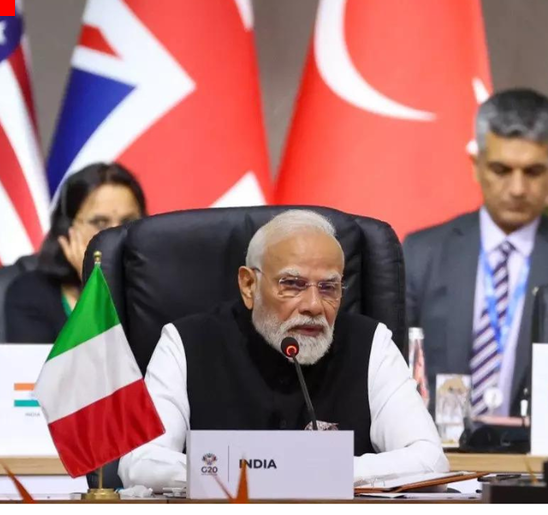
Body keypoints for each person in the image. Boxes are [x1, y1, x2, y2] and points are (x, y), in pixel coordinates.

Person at [119, 210, 447, 491]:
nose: (314, 306)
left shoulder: (371, 344)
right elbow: (140, 462)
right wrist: (264, 472)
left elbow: (430, 460)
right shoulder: (185, 344)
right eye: (292, 284)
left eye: (329, 287)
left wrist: (310, 472)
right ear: (249, 285)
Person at [404, 89, 548, 418]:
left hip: (536, 446)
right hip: (436, 442)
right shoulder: (423, 252)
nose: (517, 189)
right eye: (501, 170)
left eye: (533, 171)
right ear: (476, 165)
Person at [5, 163, 146, 344]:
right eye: (100, 223)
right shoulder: (29, 292)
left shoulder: (156, 289)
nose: (116, 234)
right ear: (66, 228)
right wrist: (93, 284)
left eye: (128, 221)